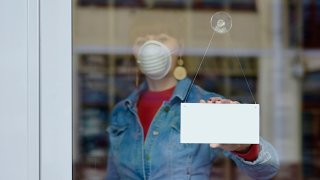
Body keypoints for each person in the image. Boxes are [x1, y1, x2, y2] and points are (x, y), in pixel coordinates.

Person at [105, 12, 279, 180]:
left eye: (162, 39)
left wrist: (243, 145)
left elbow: (267, 169)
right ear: (133, 50)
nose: (151, 48)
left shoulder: (203, 105)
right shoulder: (122, 111)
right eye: (142, 41)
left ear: (180, 46)